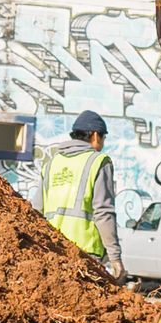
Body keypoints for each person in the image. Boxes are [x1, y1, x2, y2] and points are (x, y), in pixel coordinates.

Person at [40, 109, 126, 279]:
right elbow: (103, 212)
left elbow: (36, 209)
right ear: (95, 136)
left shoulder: (52, 163)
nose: (102, 144)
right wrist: (115, 257)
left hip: (52, 252)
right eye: (103, 138)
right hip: (85, 256)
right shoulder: (98, 161)